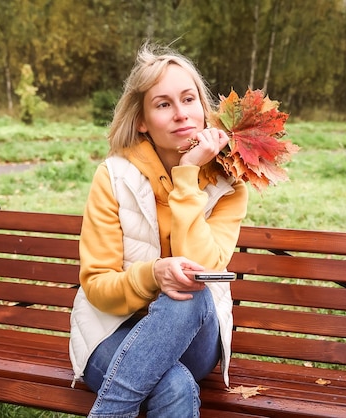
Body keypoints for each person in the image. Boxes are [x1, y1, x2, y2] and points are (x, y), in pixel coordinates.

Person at [69, 42, 249, 418]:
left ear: (204, 108)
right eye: (164, 104)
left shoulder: (229, 184)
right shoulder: (114, 177)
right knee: (174, 387)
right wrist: (153, 275)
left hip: (194, 337)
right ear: (142, 120)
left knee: (192, 287)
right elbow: (98, 286)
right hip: (111, 332)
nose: (182, 114)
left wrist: (187, 175)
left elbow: (203, 263)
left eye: (189, 100)